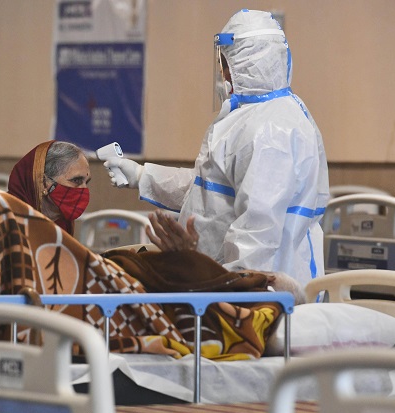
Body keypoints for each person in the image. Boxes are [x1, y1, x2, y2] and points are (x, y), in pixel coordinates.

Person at [103, 9, 329, 287]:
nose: (223, 74)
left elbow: (257, 233)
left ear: (246, 64)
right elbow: (210, 190)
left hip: (262, 292)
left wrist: (229, 289)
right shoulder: (257, 116)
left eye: (225, 64)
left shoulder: (270, 130)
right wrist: (143, 176)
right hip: (224, 281)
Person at [8, 140, 91, 235]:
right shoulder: (6, 221)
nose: (84, 189)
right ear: (43, 183)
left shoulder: (64, 224)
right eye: (76, 180)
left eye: (86, 182)